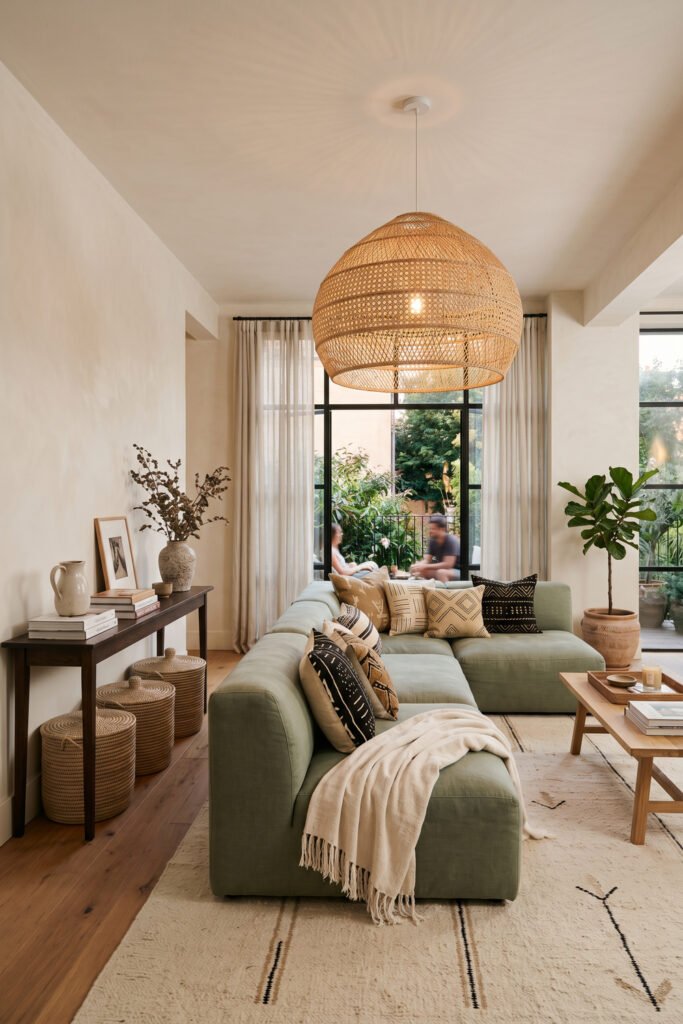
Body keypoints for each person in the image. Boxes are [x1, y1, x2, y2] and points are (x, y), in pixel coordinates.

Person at [411, 514, 460, 581]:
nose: (430, 531)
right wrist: (418, 565)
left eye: (433, 529)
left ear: (442, 529)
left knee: (441, 573)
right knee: (420, 571)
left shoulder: (451, 540)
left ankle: (444, 591)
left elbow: (448, 564)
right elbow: (427, 560)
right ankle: (429, 590)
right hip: (444, 570)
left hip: (459, 572)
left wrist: (425, 566)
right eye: (430, 528)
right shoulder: (433, 540)